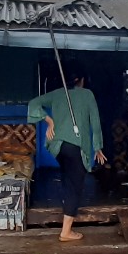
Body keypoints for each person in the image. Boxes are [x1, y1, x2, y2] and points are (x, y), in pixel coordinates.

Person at [28, 64, 105, 241]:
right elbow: (95, 122)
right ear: (82, 80)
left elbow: (33, 103)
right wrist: (98, 147)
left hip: (58, 146)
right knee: (74, 186)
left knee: (67, 177)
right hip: (75, 145)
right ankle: (66, 232)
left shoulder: (56, 94)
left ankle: (66, 213)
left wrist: (48, 120)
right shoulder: (87, 95)